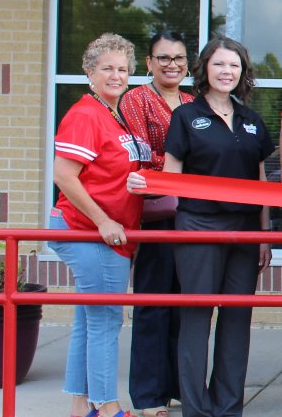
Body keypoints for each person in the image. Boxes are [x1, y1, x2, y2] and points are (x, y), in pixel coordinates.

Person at [130, 36, 275, 417]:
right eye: (219, 64)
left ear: (242, 72)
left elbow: (260, 185)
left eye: (234, 65)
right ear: (205, 70)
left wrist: (264, 236)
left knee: (237, 318)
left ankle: (228, 407)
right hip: (198, 227)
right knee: (196, 316)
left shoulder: (252, 121)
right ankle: (196, 408)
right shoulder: (186, 116)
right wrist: (144, 184)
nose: (227, 72)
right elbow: (172, 180)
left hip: (244, 231)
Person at [51, 33, 151, 417]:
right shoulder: (85, 113)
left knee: (89, 318)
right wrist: (104, 220)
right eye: (107, 68)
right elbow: (65, 175)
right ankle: (108, 407)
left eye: (123, 69)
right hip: (88, 231)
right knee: (106, 318)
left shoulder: (115, 111)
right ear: (89, 72)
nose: (116, 75)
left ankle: (80, 404)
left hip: (108, 232)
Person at [118, 30, 192, 417]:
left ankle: (177, 386)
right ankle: (148, 396)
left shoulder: (192, 102)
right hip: (155, 216)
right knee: (153, 305)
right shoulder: (136, 99)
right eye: (163, 58)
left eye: (178, 58)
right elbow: (142, 155)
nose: (172, 65)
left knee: (183, 305)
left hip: (191, 218)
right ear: (148, 63)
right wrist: (182, 171)